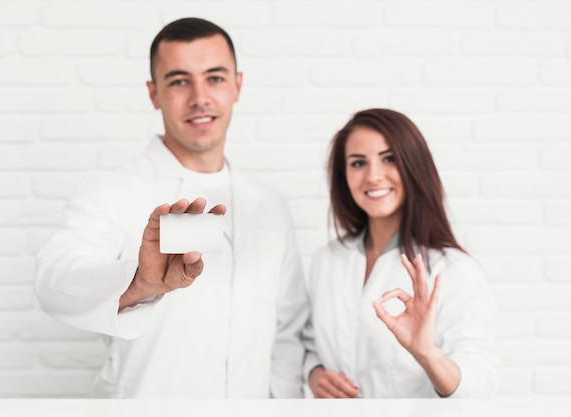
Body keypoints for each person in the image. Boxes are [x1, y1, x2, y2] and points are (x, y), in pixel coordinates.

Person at [35, 17, 308, 399]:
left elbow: (288, 332)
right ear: (153, 93)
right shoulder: (112, 189)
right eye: (179, 81)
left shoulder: (269, 206)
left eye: (214, 77)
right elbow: (53, 281)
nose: (199, 97)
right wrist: (137, 284)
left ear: (237, 85)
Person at [303, 108, 498, 398]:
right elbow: (310, 346)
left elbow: (481, 386)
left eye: (389, 159)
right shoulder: (327, 260)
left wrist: (427, 354)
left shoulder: (455, 271)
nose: (373, 176)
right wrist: (315, 375)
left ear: (413, 165)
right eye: (358, 163)